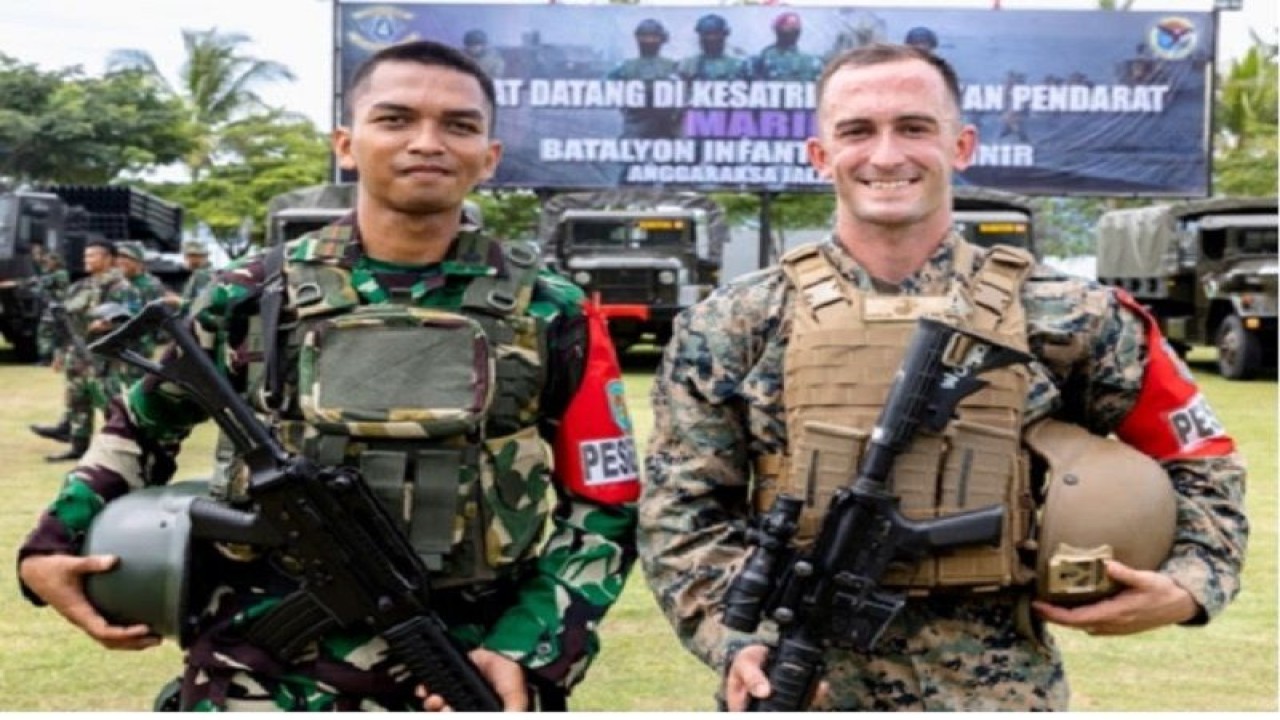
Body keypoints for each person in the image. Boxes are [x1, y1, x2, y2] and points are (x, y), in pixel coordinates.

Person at [18, 39, 640, 712]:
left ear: (488, 157)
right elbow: (141, 424)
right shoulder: (248, 294)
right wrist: (51, 543)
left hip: (466, 666)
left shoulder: (553, 309)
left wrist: (530, 647)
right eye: (395, 119)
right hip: (258, 671)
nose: (427, 142)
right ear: (346, 144)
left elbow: (608, 502)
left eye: (458, 125)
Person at [638, 43, 1247, 712]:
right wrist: (736, 638)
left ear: (961, 145)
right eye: (857, 131)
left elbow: (1200, 458)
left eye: (915, 127)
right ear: (819, 155)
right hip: (798, 680)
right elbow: (681, 508)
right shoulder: (734, 323)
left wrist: (1191, 582)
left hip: (998, 689)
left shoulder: (1070, 314)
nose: (887, 154)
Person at [28, 239, 141, 462]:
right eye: (86, 256)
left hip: (105, 356)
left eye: (93, 256)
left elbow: (134, 321)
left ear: (109, 258)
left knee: (110, 403)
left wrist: (109, 326)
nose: (87, 260)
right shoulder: (80, 287)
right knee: (77, 402)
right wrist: (60, 353)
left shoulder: (123, 288)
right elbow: (65, 320)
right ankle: (78, 447)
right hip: (77, 353)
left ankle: (125, 446)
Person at [606, 18, 681, 139]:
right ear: (638, 39)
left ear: (661, 39)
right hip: (636, 120)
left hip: (665, 123)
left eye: (653, 37)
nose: (649, 41)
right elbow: (606, 86)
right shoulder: (626, 66)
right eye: (645, 37)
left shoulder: (672, 66)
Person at [747, 12, 824, 81]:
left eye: (794, 28)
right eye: (789, 27)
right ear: (778, 31)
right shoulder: (761, 59)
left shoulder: (811, 62)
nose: (792, 31)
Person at [677, 14, 748, 81]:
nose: (711, 39)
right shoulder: (688, 64)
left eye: (715, 34)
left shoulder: (737, 64)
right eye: (706, 34)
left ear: (724, 36)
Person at [177, 238, 216, 308]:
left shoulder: (204, 275)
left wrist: (177, 301)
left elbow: (201, 305)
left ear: (206, 256)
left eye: (199, 256)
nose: (194, 259)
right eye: (191, 255)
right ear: (185, 257)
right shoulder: (191, 274)